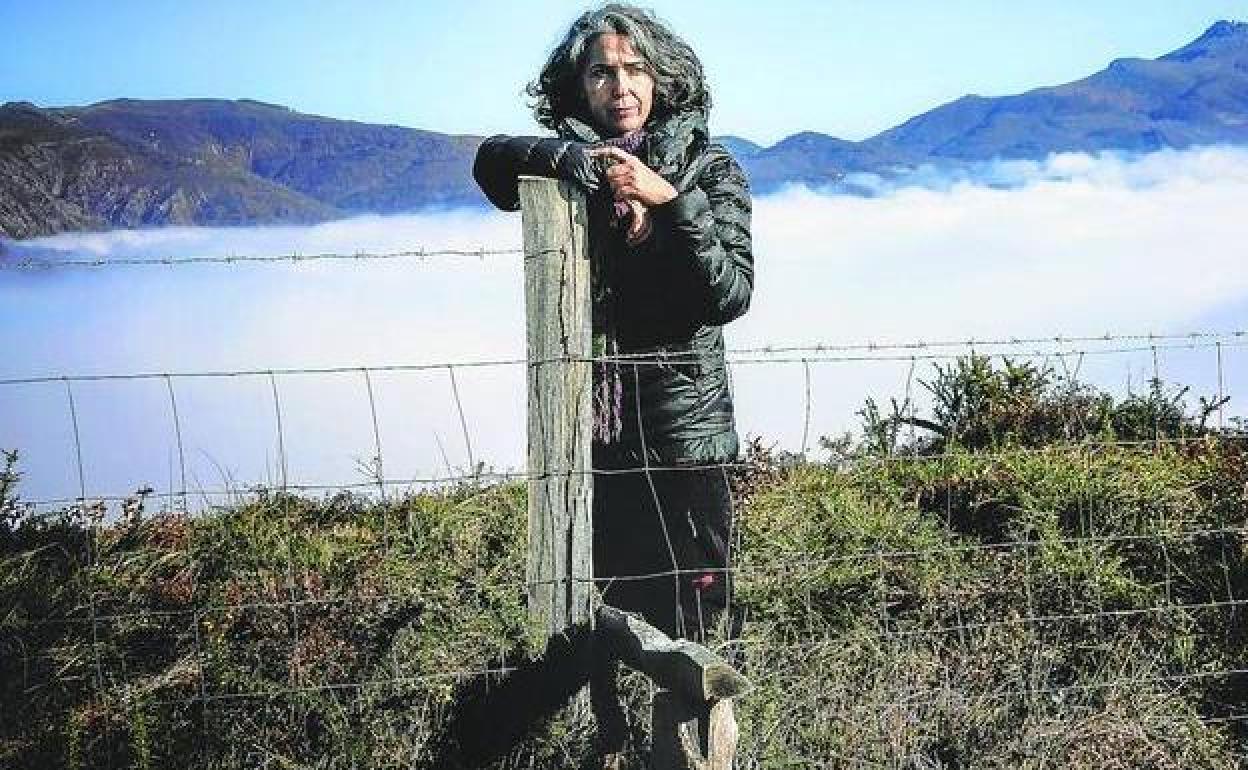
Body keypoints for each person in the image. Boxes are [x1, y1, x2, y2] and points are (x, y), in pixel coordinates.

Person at [472, 2, 752, 756]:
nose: (620, 87)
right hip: (595, 443)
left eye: (635, 70)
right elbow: (492, 161)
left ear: (663, 79)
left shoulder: (709, 169)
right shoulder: (576, 165)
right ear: (578, 85)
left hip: (683, 443)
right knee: (604, 623)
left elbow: (728, 294)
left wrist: (667, 199)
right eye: (601, 71)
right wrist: (577, 162)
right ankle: (613, 748)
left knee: (697, 628)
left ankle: (700, 755)